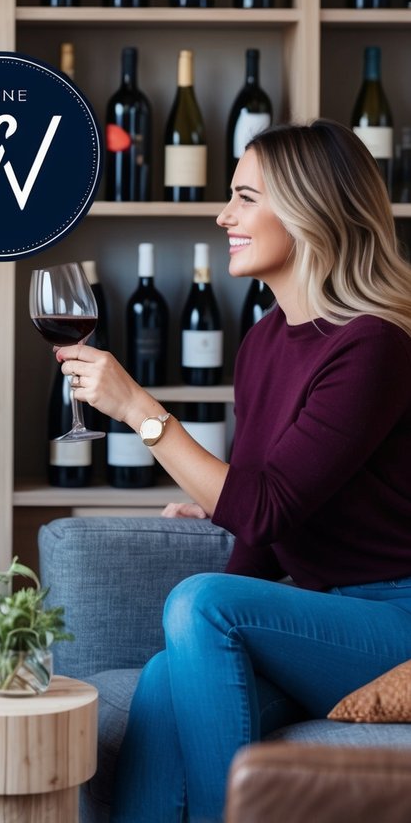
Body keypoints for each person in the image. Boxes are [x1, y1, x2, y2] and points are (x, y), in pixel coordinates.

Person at [57, 119, 411, 823]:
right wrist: (226, 506)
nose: (223, 215)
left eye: (244, 197)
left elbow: (263, 507)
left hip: (395, 621)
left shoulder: (373, 347)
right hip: (322, 617)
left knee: (200, 602)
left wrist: (138, 410)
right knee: (163, 677)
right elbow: (254, 518)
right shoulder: (263, 341)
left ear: (311, 210)